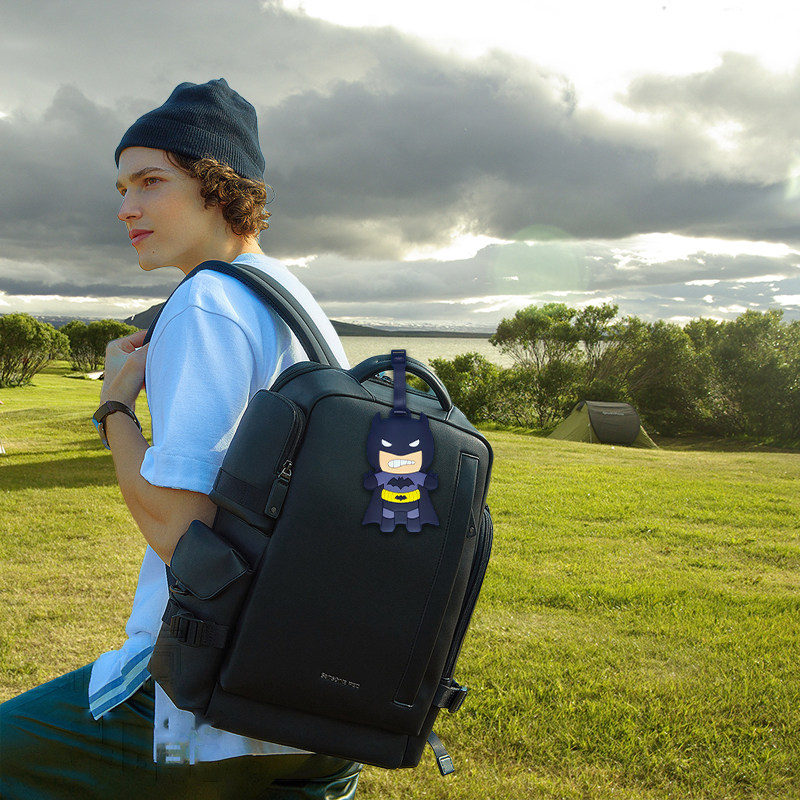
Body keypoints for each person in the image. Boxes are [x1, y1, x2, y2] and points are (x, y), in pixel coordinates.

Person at [0, 79, 361, 799]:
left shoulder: (206, 301)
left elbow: (184, 535)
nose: (125, 208)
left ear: (218, 186)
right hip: (320, 704)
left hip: (208, 699)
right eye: (121, 188)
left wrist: (114, 406)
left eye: (150, 181)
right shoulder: (289, 298)